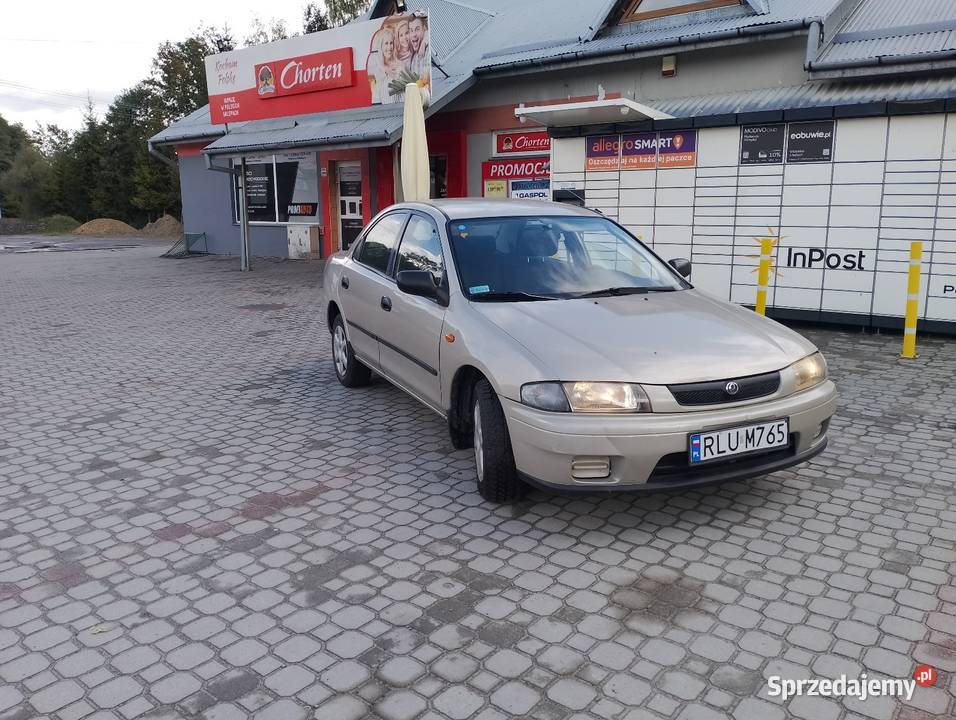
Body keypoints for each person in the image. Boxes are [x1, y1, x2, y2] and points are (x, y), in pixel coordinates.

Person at [408, 13, 430, 81]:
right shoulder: (413, 59)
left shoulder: (428, 52)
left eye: (417, 29)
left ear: (424, 30)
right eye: (411, 30)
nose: (413, 34)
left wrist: (424, 42)